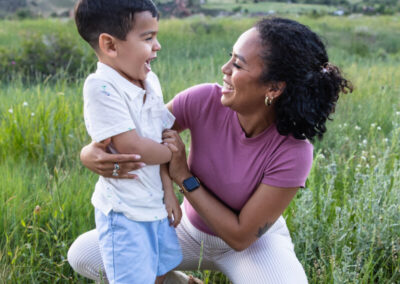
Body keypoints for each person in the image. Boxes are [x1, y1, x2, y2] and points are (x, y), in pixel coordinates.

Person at [68, 17, 352, 283]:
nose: (225, 69)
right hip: (187, 230)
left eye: (238, 65)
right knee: (85, 255)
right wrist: (89, 154)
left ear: (274, 88)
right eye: (230, 57)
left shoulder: (293, 151)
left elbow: (241, 236)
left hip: (251, 245)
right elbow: (139, 138)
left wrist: (184, 177)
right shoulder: (203, 99)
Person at [72, 0, 183, 283]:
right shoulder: (102, 87)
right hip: (125, 215)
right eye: (148, 38)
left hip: (155, 206)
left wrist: (168, 192)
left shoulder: (150, 81)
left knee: (160, 271)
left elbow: (157, 137)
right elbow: (132, 147)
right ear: (110, 45)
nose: (157, 45)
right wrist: (173, 154)